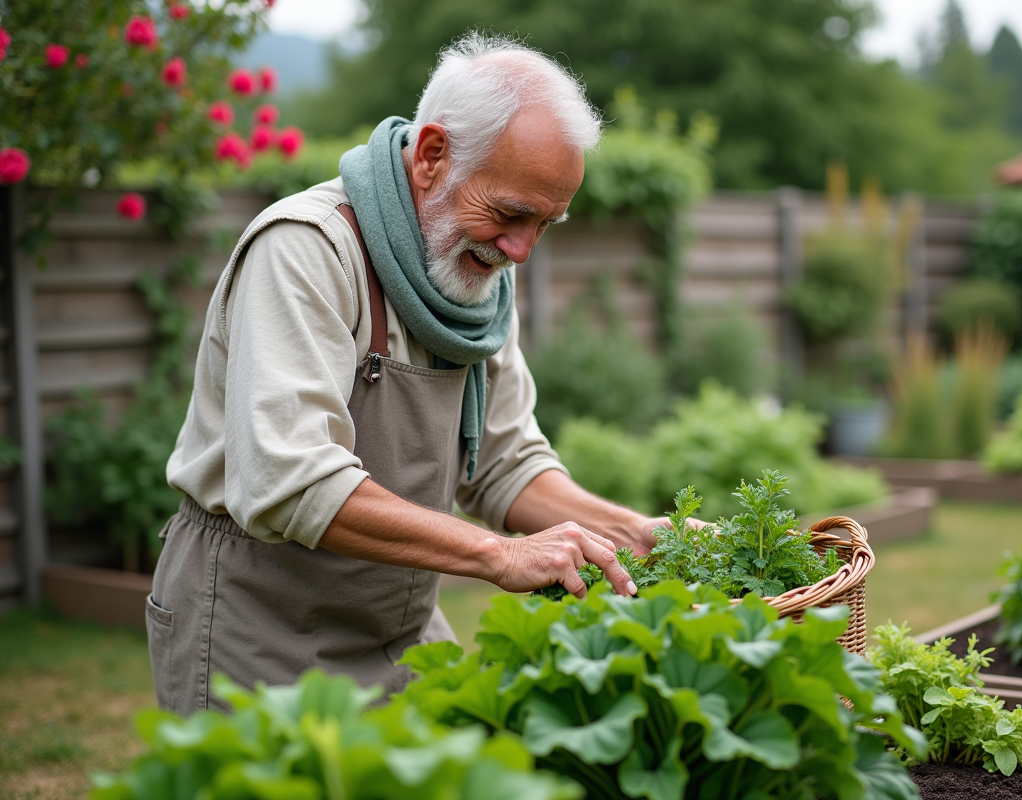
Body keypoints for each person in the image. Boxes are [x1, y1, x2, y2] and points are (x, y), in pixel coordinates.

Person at [147, 33, 663, 716]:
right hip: (259, 625)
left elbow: (505, 463)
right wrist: (496, 555)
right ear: (431, 156)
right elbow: (289, 482)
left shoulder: (473, 278)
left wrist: (631, 532)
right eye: (512, 214)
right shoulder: (306, 250)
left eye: (546, 223)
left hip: (400, 626)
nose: (522, 251)